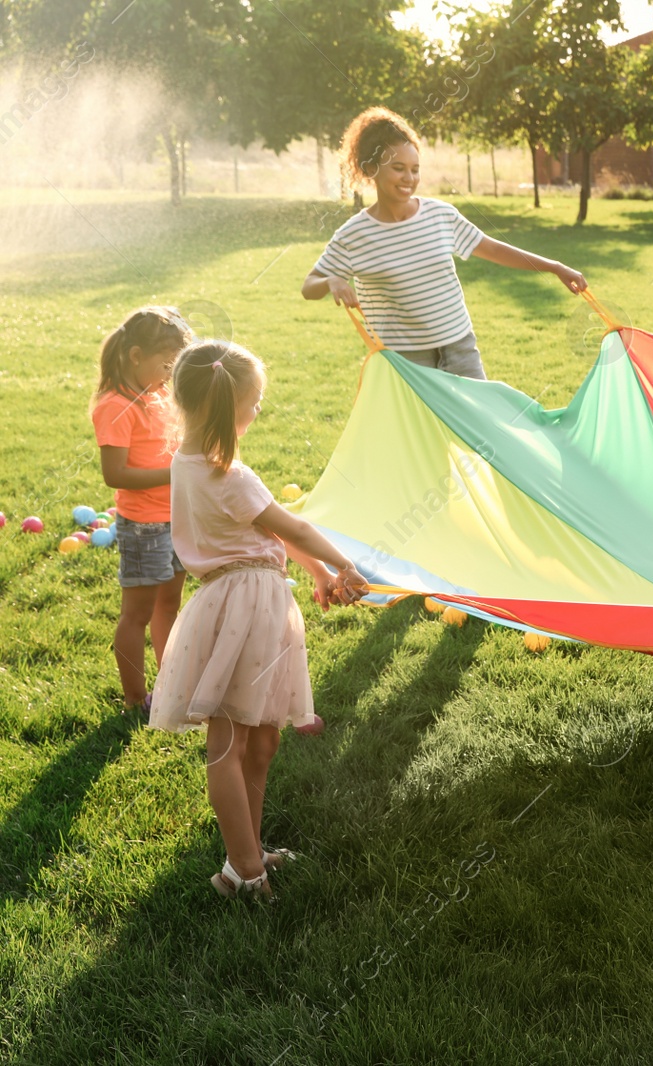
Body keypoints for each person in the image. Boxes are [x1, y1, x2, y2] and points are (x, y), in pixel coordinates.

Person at [149, 340, 369, 900]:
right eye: (255, 402)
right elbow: (288, 528)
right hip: (243, 607)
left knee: (261, 739)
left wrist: (318, 575)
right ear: (229, 408)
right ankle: (245, 871)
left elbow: (265, 536)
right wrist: (345, 563)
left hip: (250, 602)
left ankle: (245, 851)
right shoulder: (229, 475)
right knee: (230, 741)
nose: (258, 411)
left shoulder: (190, 461)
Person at [301, 106, 588, 380]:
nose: (409, 178)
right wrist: (332, 282)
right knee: (416, 432)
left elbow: (493, 249)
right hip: (404, 360)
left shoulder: (440, 215)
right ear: (371, 168)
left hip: (459, 347)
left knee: (482, 425)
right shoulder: (354, 235)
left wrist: (554, 267)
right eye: (398, 168)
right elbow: (309, 286)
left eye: (415, 169)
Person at [90, 306, 194, 714]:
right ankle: (135, 698)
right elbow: (115, 474)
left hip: (177, 519)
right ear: (135, 356)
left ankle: (170, 680)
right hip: (143, 528)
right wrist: (173, 472)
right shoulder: (115, 406)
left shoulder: (160, 394)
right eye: (166, 363)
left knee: (169, 604)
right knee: (137, 614)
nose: (171, 372)